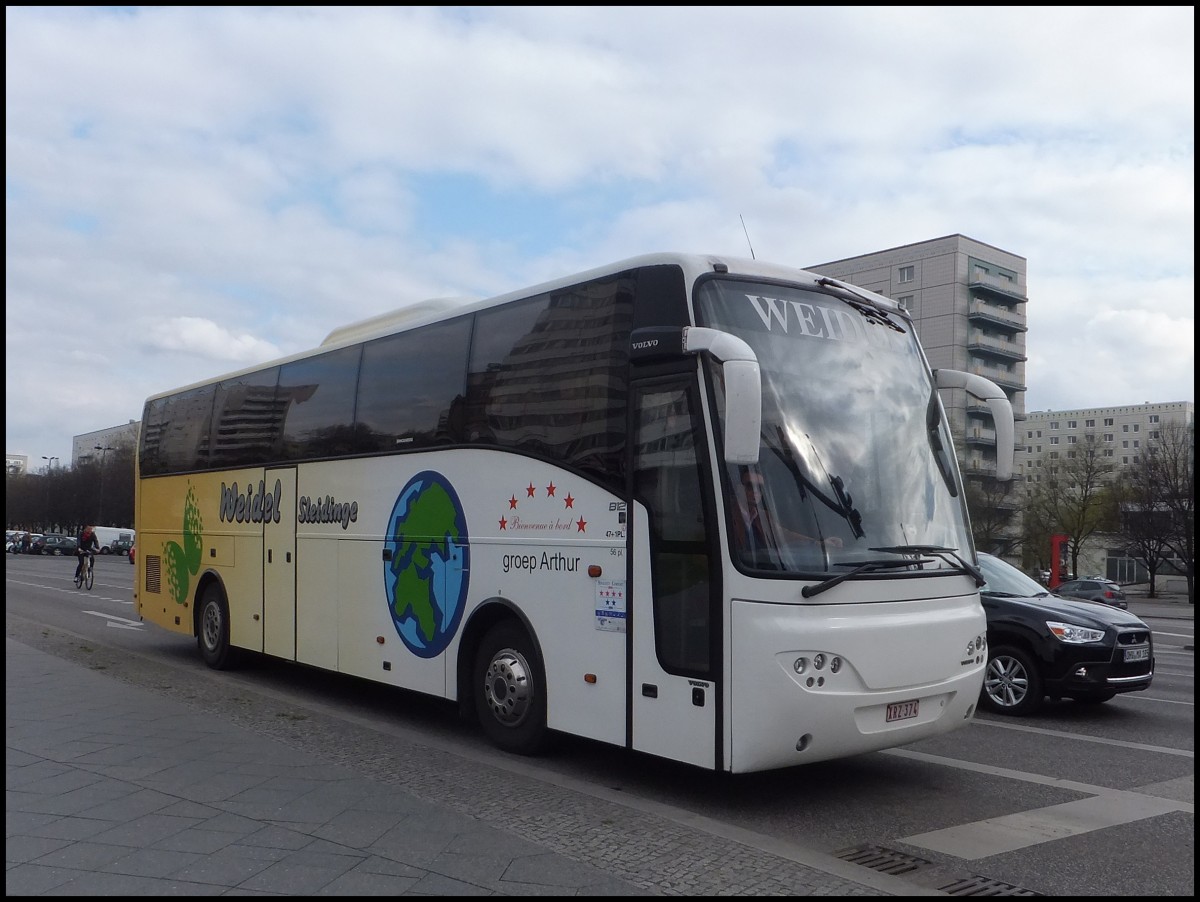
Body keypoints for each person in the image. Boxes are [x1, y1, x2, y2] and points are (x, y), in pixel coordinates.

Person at [732, 467, 841, 564]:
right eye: (750, 486)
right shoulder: (727, 514)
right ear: (738, 488)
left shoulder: (763, 516)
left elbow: (783, 535)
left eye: (759, 487)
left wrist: (818, 543)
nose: (755, 491)